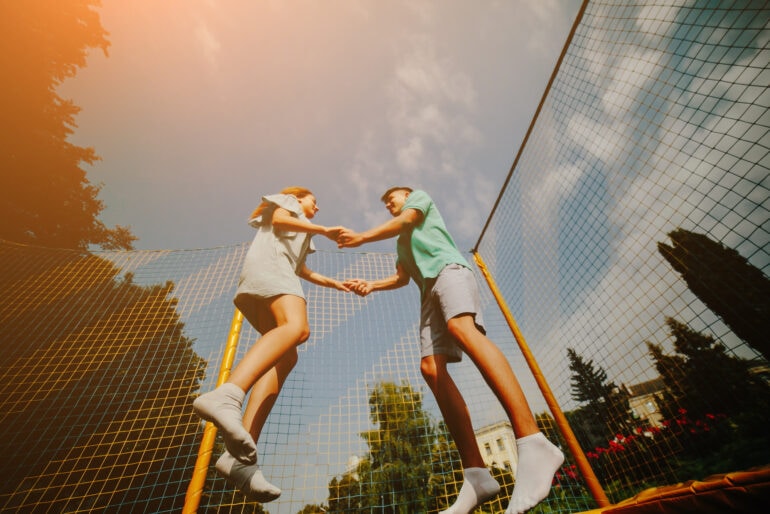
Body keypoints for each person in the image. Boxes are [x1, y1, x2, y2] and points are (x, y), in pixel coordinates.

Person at [337, 187, 564, 514]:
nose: (389, 203)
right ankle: (476, 476)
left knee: (462, 328)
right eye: (386, 202)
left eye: (392, 198)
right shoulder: (402, 241)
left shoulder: (418, 201)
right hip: (428, 293)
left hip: (449, 273)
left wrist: (361, 237)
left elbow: (408, 218)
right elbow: (402, 277)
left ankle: (533, 442)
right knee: (430, 368)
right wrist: (372, 284)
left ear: (406, 194)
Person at [194, 186, 349, 502]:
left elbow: (301, 269)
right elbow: (279, 220)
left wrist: (333, 282)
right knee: (296, 328)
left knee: (286, 356)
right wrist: (322, 228)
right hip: (269, 273)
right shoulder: (288, 204)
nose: (316, 207)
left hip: (272, 277)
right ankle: (227, 395)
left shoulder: (303, 234)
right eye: (313, 201)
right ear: (299, 196)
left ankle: (241, 457)